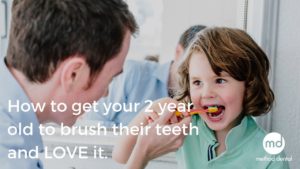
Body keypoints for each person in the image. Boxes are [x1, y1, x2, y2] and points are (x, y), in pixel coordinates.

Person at [113, 27, 290, 168]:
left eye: (220, 80)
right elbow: (121, 156)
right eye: (197, 82)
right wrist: (153, 109)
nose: (206, 93)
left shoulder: (269, 154)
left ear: (249, 85)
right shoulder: (187, 126)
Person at [0, 0, 138, 168]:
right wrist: (141, 151)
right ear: (73, 74)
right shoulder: (9, 156)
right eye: (110, 79)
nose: (106, 93)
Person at [84, 25, 206, 126]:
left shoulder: (201, 98)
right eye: (191, 61)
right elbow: (94, 121)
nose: (198, 71)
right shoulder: (134, 73)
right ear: (178, 52)